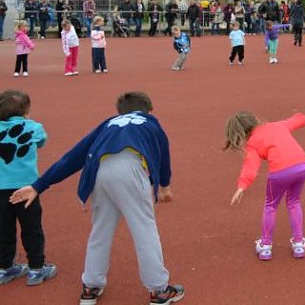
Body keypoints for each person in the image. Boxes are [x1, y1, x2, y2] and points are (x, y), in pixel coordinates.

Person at [9, 91, 185, 305]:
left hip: (98, 171)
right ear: (150, 110)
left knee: (100, 231)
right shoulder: (151, 122)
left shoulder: (109, 123)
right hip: (130, 169)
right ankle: (159, 290)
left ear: (119, 112)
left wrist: (39, 185)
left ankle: (91, 286)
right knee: (144, 229)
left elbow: (74, 156)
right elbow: (162, 156)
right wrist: (164, 187)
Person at [225, 110, 305, 260]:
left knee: (270, 206)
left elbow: (250, 166)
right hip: (302, 166)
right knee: (294, 202)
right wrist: (299, 115)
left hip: (280, 172)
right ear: (255, 120)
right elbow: (299, 120)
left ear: (242, 132)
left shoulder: (252, 143)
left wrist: (242, 186)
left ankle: (265, 246)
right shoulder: (278, 125)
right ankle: (298, 244)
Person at [0, 90, 56, 286]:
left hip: (1, 188)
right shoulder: (33, 127)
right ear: (25, 112)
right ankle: (36, 269)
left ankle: (5, 268)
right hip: (26, 190)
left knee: (3, 229)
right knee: (32, 228)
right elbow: (41, 142)